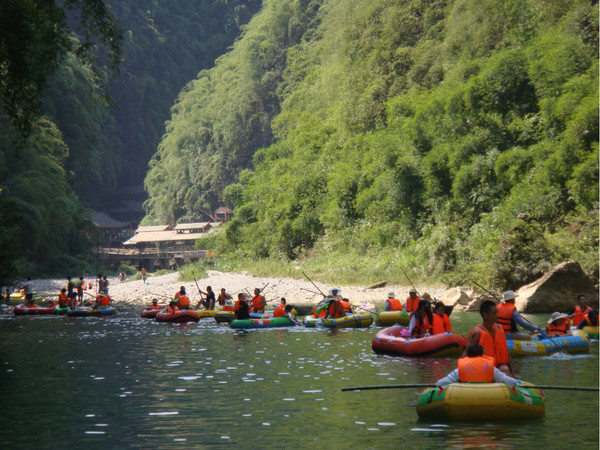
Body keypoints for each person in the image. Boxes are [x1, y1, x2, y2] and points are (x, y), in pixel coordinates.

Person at [436, 345, 522, 386]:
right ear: (482, 354)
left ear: (468, 355)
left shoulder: (460, 369)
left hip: (464, 394)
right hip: (490, 394)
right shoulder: (490, 368)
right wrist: (518, 383)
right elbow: (508, 381)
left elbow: (441, 383)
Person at [467, 300, 514, 376]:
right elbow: (466, 353)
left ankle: (510, 384)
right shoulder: (477, 333)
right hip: (483, 368)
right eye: (494, 313)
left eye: (497, 312)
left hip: (499, 368)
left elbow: (506, 351)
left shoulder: (499, 328)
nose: (497, 315)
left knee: (505, 369)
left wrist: (514, 374)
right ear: (485, 315)